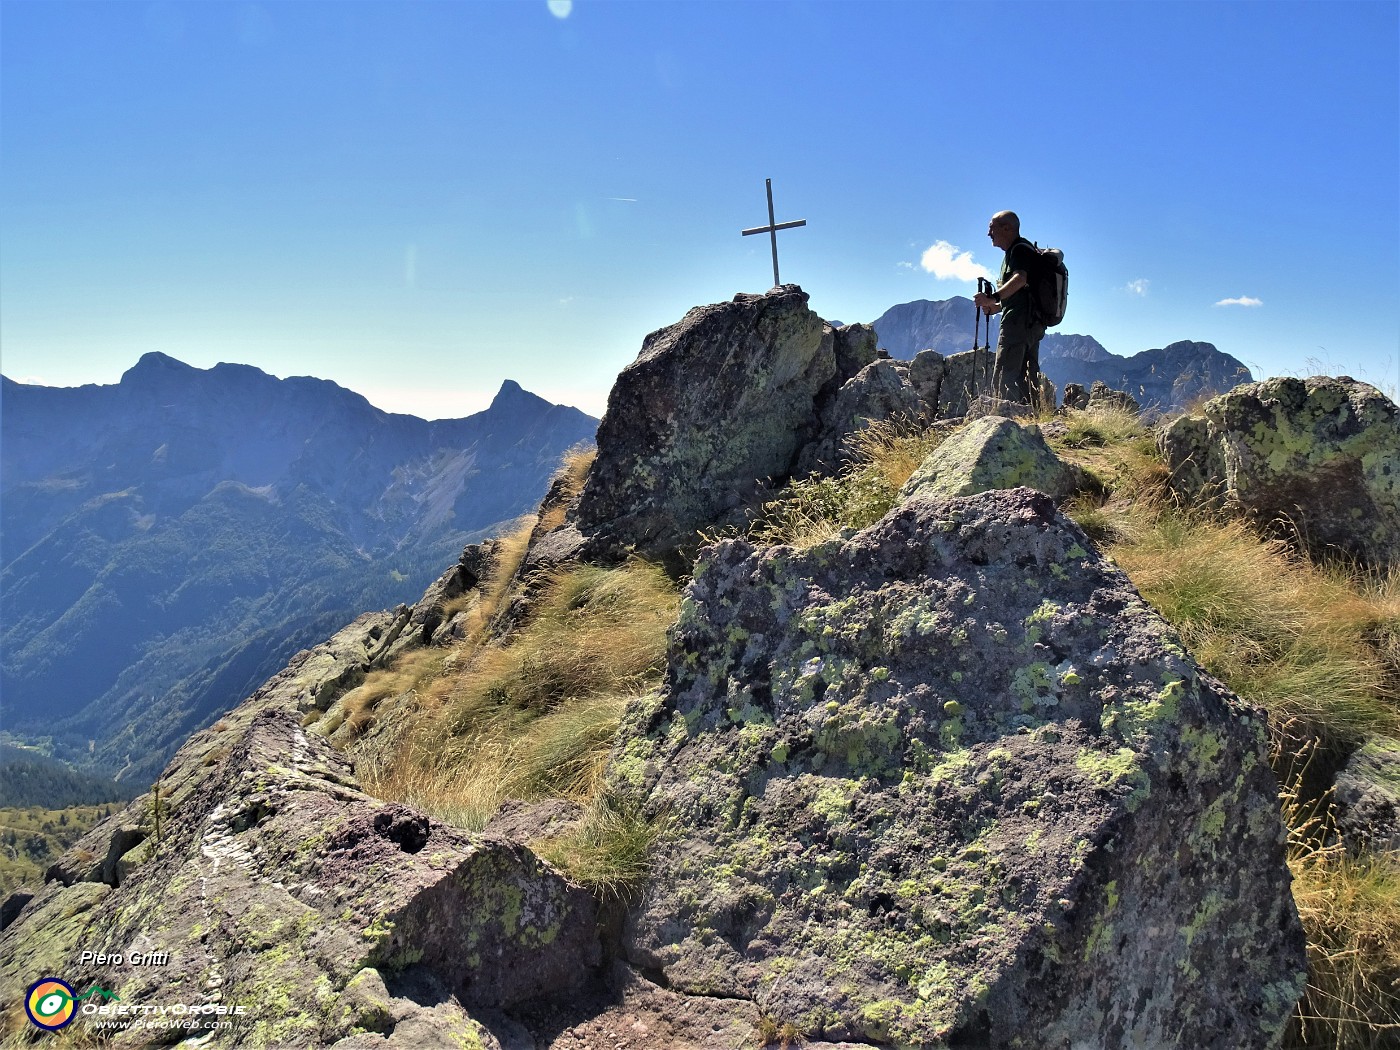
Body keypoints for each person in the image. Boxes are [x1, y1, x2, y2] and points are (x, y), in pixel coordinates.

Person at [973, 210, 1045, 406]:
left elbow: (1020, 279)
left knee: (1004, 375)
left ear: (1007, 228)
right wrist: (996, 307)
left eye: (991, 228)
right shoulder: (1020, 251)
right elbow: (1022, 293)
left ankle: (1002, 422)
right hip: (1031, 322)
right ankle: (1031, 418)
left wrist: (992, 297)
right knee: (1026, 376)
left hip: (1017, 323)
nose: (989, 234)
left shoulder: (1019, 250)